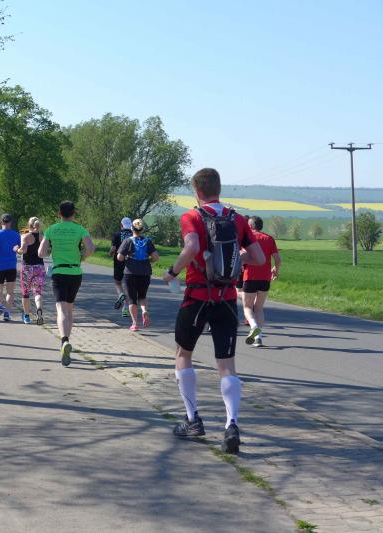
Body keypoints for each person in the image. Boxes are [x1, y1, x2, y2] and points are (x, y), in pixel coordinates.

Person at [162, 168, 264, 454]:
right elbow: (257, 257)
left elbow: (191, 246)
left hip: (196, 297)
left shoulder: (191, 217)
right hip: (227, 298)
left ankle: (193, 419)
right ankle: (232, 425)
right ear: (219, 189)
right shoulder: (237, 219)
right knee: (227, 364)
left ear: (197, 191)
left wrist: (172, 272)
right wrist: (236, 259)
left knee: (183, 354)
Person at [39, 201, 95, 366]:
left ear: (59, 214)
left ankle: (64, 341)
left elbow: (41, 252)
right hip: (75, 273)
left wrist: (51, 251)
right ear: (73, 214)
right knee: (69, 310)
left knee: (61, 310)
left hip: (59, 273)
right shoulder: (80, 229)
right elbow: (91, 248)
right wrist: (82, 257)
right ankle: (66, 343)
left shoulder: (51, 229)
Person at [242, 216, 281, 347]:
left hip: (250, 276)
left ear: (251, 226)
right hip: (265, 278)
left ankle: (254, 327)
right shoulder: (269, 238)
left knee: (247, 307)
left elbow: (242, 256)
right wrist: (275, 269)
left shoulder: (248, 238)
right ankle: (258, 338)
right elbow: (277, 259)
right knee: (259, 308)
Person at [117, 218, 160, 331]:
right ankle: (144, 310)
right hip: (145, 272)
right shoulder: (148, 241)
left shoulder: (127, 241)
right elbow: (156, 257)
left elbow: (119, 257)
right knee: (142, 296)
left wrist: (127, 257)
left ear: (132, 228)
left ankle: (135, 323)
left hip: (130, 273)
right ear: (142, 229)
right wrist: (148, 260)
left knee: (131, 299)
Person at [0, 214, 21, 322]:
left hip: (0, 265)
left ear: (1, 222)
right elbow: (20, 249)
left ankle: (0, 306)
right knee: (10, 291)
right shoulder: (16, 235)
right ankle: (7, 313)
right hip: (11, 265)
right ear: (11, 222)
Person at [15, 217, 46, 325]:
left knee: (26, 292)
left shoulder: (26, 236)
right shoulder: (42, 237)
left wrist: (16, 249)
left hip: (27, 267)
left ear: (29, 225)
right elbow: (46, 252)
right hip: (39, 267)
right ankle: (39, 309)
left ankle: (27, 316)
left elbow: (23, 250)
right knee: (37, 292)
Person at [110, 217, 134, 318]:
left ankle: (121, 295)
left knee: (117, 283)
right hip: (131, 263)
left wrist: (110, 253)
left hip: (119, 261)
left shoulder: (116, 235)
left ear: (121, 225)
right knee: (128, 285)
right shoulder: (134, 235)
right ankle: (125, 308)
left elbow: (113, 249)